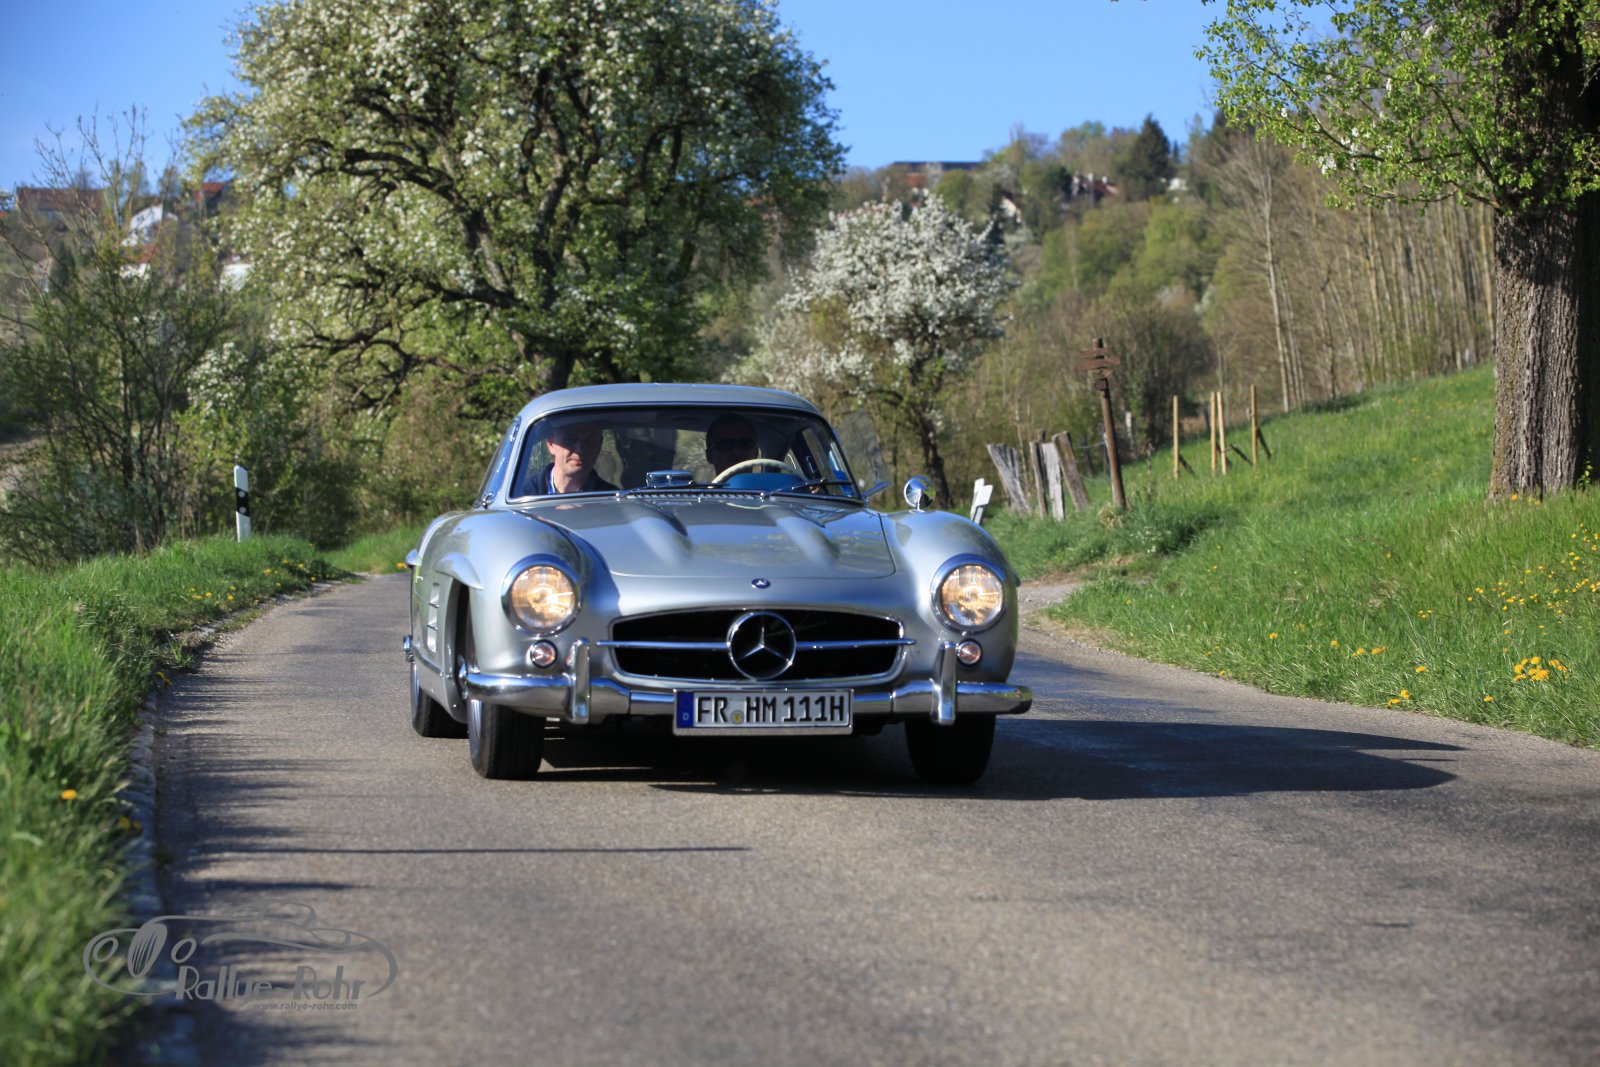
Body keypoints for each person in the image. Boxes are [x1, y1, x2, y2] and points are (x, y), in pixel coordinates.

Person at [535, 421, 619, 494]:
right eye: (570, 440)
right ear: (551, 444)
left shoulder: (614, 499)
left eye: (589, 441)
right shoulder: (528, 496)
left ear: (599, 445)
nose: (580, 449)